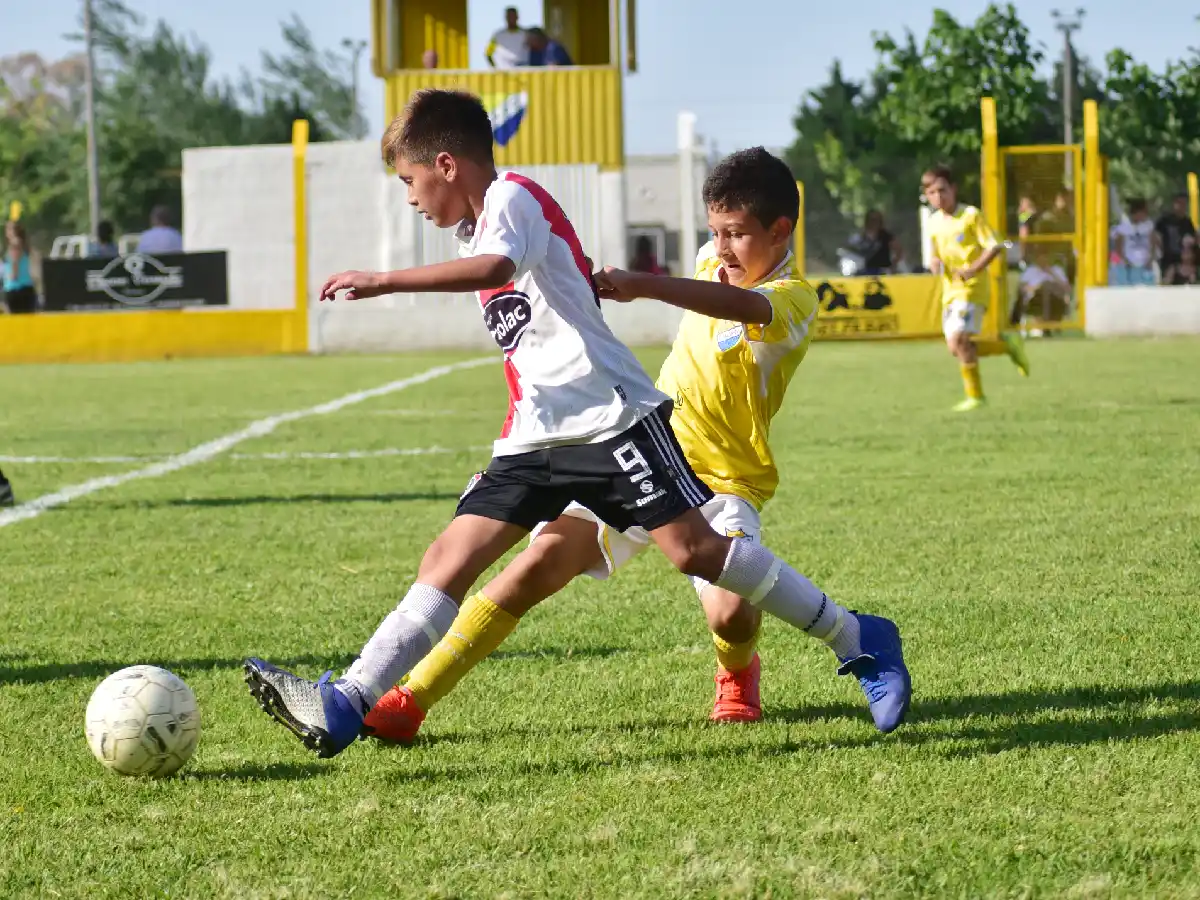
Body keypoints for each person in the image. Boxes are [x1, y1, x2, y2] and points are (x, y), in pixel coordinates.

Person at [242, 92, 911, 758]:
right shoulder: (483, 227)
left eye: (410, 181)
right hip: (540, 435)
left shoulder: (513, 201)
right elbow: (528, 349)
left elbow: (505, 267)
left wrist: (386, 281)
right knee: (459, 558)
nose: (409, 198)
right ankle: (356, 698)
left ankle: (857, 638)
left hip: (616, 421)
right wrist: (505, 444)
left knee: (698, 556)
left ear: (446, 165)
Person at [923, 165, 1030, 412]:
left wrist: (973, 269)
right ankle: (1007, 345)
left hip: (972, 288)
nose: (938, 197)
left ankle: (976, 397)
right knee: (956, 348)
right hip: (950, 290)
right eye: (932, 193)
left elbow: (994, 245)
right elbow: (935, 255)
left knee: (961, 340)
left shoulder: (970, 215)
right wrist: (934, 262)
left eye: (942, 190)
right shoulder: (933, 222)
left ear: (953, 189)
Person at [1111, 199, 1157, 286]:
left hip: (1145, 265)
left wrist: (1150, 260)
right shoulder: (1124, 227)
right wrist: (1126, 262)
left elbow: (1153, 244)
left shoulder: (1148, 225)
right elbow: (1118, 247)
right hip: (1128, 265)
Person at [848, 210, 902, 275]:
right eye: (872, 219)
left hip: (882, 271)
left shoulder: (886, 236)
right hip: (865, 270)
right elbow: (851, 251)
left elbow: (899, 250)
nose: (874, 222)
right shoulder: (861, 236)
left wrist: (893, 265)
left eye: (877, 220)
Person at [1155, 193, 1196, 274]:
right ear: (1174, 204)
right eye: (1179, 203)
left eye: (1184, 204)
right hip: (1166, 258)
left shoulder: (1187, 222)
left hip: (1182, 260)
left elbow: (1192, 239)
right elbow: (1156, 236)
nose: (1182, 206)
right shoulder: (1164, 220)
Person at [3, 221, 36, 314]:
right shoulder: (24, 244)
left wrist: (13, 275)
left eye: (8, 229)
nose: (6, 232)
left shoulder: (15, 244)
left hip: (16, 289)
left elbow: (14, 261)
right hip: (27, 288)